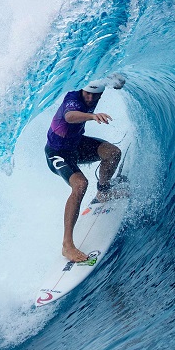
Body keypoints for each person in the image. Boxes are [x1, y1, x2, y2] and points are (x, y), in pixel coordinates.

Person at [45, 74, 126, 263]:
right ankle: (67, 245)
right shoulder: (73, 98)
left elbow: (115, 82)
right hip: (57, 152)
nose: (90, 98)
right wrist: (92, 116)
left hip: (76, 146)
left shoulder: (96, 92)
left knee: (112, 153)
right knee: (80, 184)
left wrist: (117, 83)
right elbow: (70, 116)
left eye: (94, 95)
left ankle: (104, 191)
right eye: (87, 93)